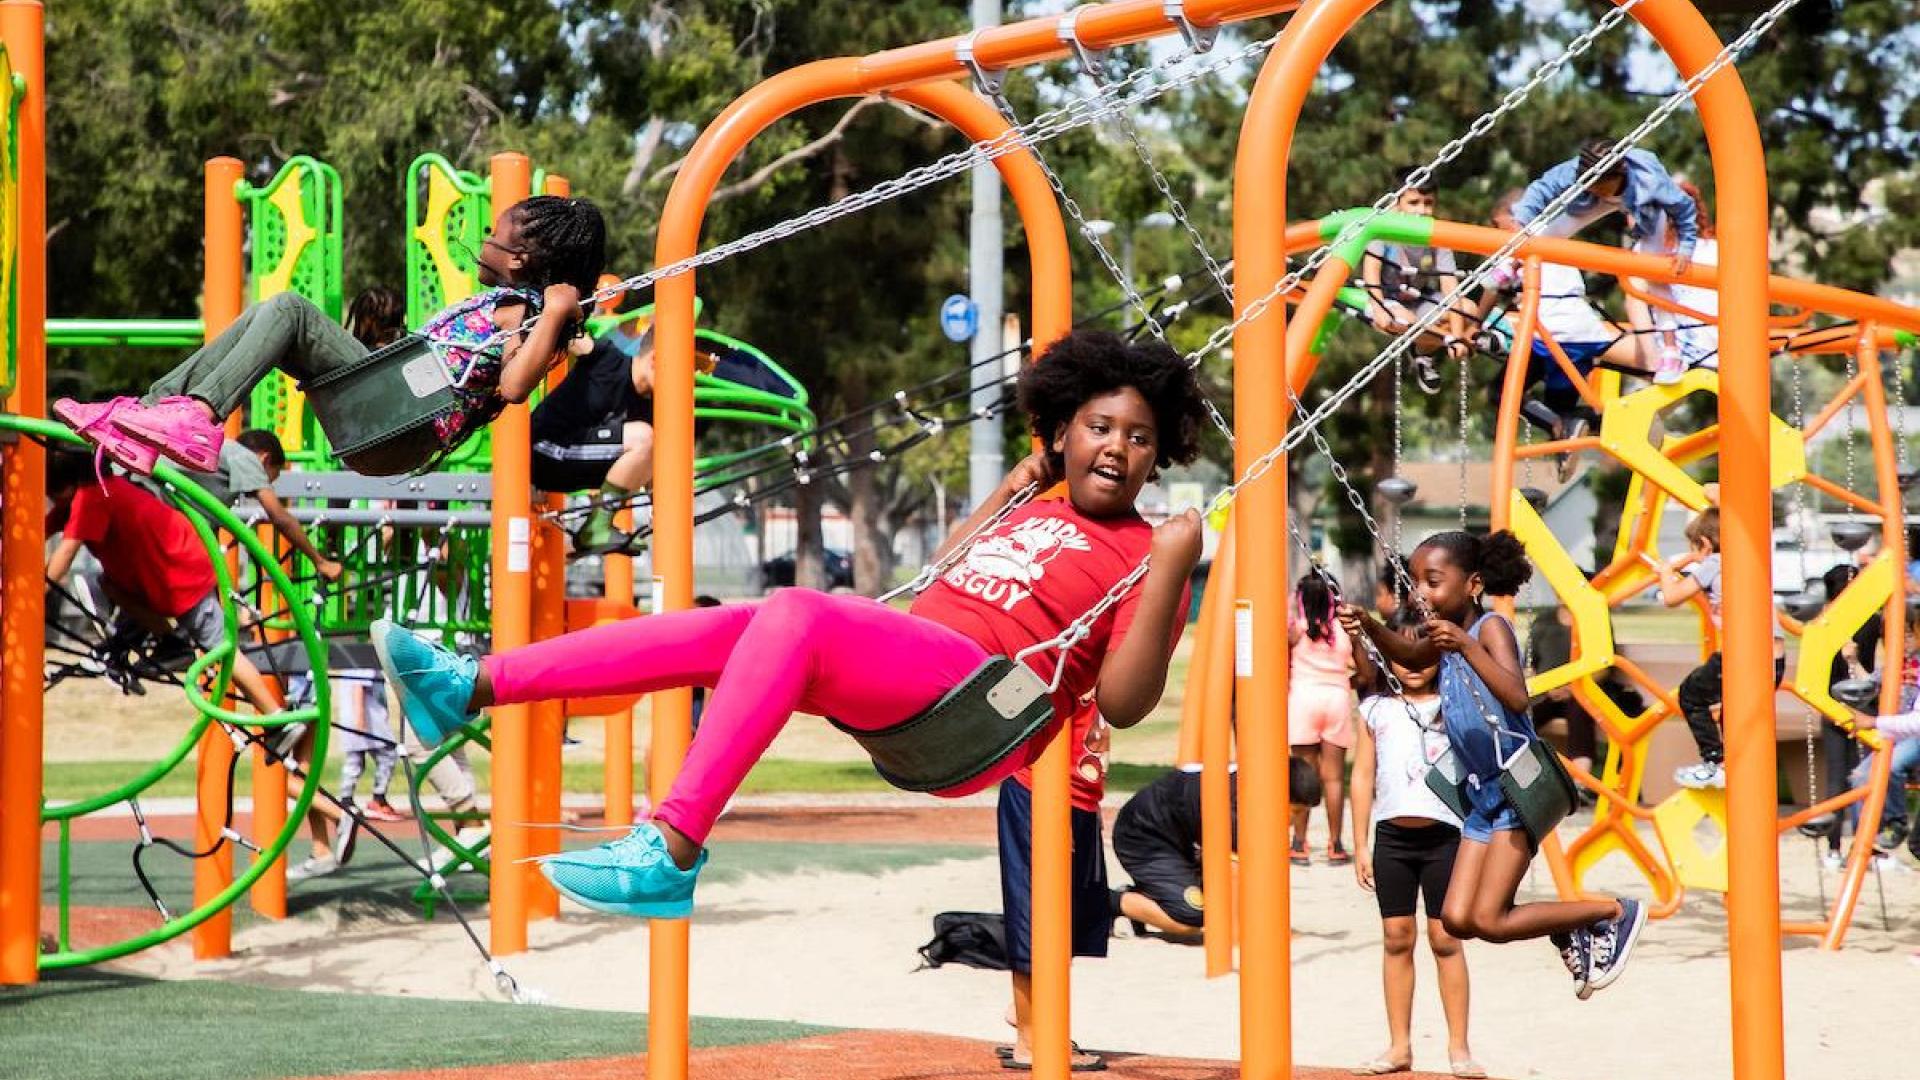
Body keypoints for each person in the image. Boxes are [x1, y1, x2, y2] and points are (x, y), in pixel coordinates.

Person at [374, 330, 1207, 923]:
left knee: (795, 612)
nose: (1116, 448)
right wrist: (1010, 492)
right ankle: (471, 686)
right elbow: (942, 581)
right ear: (1060, 430)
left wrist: (1171, 565)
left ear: (1158, 454)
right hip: (921, 668)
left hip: (984, 709)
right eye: (1099, 427)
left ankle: (670, 850)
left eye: (1139, 438)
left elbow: (1127, 703)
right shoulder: (1036, 504)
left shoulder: (1140, 551)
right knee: (726, 630)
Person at [53, 196, 606, 478]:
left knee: (291, 310)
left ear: (520, 258)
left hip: (404, 419)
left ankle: (195, 418)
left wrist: (557, 313)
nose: (482, 240)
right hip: (389, 406)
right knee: (269, 317)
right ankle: (148, 415)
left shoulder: (531, 313)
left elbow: (513, 388)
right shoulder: (503, 301)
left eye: (492, 235)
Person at [1341, 530, 1644, 1001]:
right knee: (1459, 919)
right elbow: (1406, 653)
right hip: (1481, 796)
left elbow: (1517, 696)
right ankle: (1567, 929)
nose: (1421, 592)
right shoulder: (1442, 636)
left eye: (1433, 581)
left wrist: (1466, 646)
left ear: (1473, 584)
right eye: (1416, 582)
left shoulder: (1489, 630)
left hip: (1513, 792)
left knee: (1491, 918)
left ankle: (1611, 912)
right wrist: (1367, 626)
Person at [44, 450, 346, 875]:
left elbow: (59, 561)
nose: (55, 503)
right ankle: (166, 641)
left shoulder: (93, 497)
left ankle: (277, 716)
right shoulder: (89, 497)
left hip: (183, 573)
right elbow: (41, 530)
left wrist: (28, 597)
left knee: (221, 650)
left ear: (68, 486)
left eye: (54, 494)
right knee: (111, 585)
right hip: (161, 575)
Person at [1348, 609, 1479, 1079]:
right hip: (1392, 838)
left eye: (1422, 652)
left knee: (1446, 939)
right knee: (1396, 938)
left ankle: (1459, 1048)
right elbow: (1362, 777)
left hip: (1445, 835)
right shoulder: (1375, 709)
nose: (1412, 662)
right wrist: (1360, 844)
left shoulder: (1454, 705)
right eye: (1401, 652)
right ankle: (1399, 1045)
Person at [1511, 138, 1699, 384]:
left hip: (1647, 209)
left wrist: (1685, 248)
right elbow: (1541, 188)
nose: (1592, 188)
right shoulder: (1577, 175)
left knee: (1655, 271)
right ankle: (1510, 263)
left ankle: (1670, 350)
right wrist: (1520, 225)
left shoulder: (1650, 180)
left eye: (1598, 185)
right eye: (1588, 183)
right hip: (1596, 204)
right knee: (1546, 237)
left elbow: (1684, 209)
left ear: (1617, 176)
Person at [998, 701, 1112, 1072]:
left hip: (1080, 793)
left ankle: (1028, 1013)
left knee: (1076, 916)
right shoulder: (1051, 650)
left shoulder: (1095, 655)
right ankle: (1032, 1039)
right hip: (1039, 791)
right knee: (1038, 916)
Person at [1111, 756, 1318, 942]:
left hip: (1181, 839)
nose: (1293, 821)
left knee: (1209, 902)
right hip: (1143, 837)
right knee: (1192, 917)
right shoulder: (1236, 807)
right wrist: (1243, 932)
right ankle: (1109, 901)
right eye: (1294, 811)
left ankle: (1146, 898)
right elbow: (1237, 875)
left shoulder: (1252, 787)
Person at [1655, 508, 1787, 790]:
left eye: (1694, 548)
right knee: (1733, 713)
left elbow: (1671, 597)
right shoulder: (1745, 558)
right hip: (1773, 659)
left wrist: (1667, 571)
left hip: (1744, 656)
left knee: (1691, 695)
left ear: (1704, 543)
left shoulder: (1715, 561)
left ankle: (1714, 761)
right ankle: (1733, 768)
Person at [1361, 167, 1473, 394]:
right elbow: (1371, 272)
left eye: (1428, 203)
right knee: (1405, 323)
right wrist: (1379, 307)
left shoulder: (1437, 235)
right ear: (1397, 203)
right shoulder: (1383, 228)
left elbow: (1450, 285)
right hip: (1388, 297)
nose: (1422, 211)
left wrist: (1459, 335)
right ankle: (1427, 344)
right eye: (1413, 203)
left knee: (1469, 310)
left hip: (1418, 297)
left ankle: (1423, 352)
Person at [184, 428, 342, 583]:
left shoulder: (220, 453)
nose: (270, 484)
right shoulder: (245, 457)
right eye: (273, 476)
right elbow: (280, 517)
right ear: (265, 459)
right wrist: (320, 562)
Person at [1289, 570, 1357, 866]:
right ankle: (1336, 843)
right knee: (1333, 778)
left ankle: (1300, 842)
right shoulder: (1342, 631)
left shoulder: (1296, 629)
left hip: (1303, 698)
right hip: (1337, 699)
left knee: (1303, 774)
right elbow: (1359, 666)